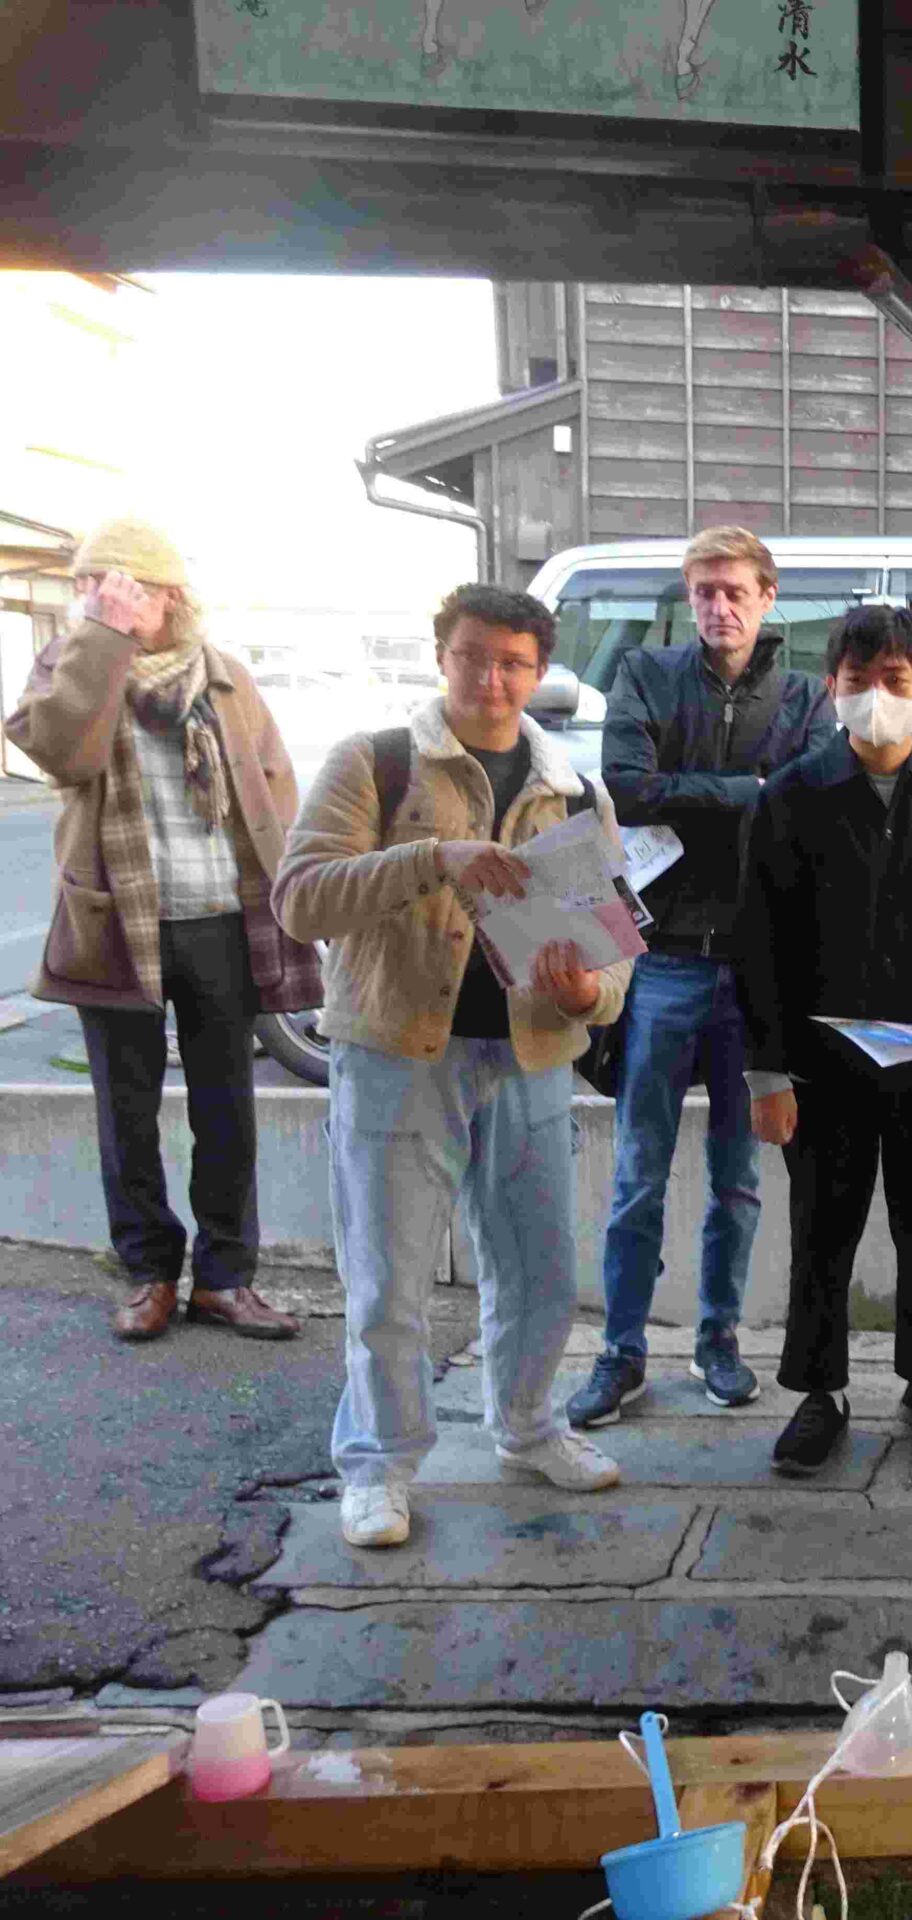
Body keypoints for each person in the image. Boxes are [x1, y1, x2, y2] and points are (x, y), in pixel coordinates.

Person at [275, 584, 632, 1549]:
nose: (492, 679)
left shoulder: (574, 789)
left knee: (540, 1270)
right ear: (442, 655)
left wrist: (584, 995)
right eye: (474, 656)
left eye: (514, 663)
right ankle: (379, 1467)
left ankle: (527, 1427)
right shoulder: (377, 761)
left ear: (539, 672)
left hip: (530, 1056)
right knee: (388, 1277)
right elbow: (300, 899)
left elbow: (611, 953)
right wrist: (434, 857)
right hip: (396, 1053)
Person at [4, 518, 319, 1344]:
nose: (95, 597)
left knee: (228, 1110)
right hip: (115, 919)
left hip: (220, 918)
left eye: (118, 585)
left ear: (168, 596)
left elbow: (275, 788)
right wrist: (103, 641)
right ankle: (148, 1272)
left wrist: (285, 891)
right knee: (127, 1112)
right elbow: (64, 753)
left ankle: (225, 1278)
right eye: (86, 584)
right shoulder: (70, 665)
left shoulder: (224, 676)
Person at [738, 603, 912, 1473]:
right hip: (820, 1070)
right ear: (831, 688)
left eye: (894, 680)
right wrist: (766, 1075)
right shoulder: (790, 798)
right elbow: (758, 944)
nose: (875, 697)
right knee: (821, 1233)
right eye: (857, 681)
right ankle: (819, 1394)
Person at [573, 526, 832, 1431]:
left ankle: (719, 1342)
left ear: (767, 598)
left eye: (734, 592)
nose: (718, 607)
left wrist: (704, 789)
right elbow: (625, 787)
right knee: (638, 1173)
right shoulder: (646, 675)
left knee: (738, 1177)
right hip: (663, 957)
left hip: (756, 967)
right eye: (703, 592)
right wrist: (747, 789)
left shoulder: (805, 694)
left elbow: (804, 805)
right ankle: (620, 1352)